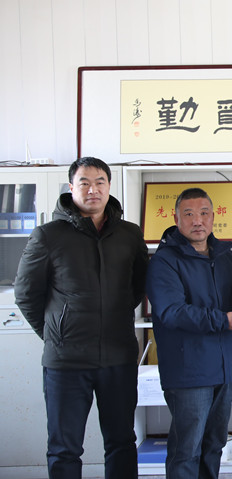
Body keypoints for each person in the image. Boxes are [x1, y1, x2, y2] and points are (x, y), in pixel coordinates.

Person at [14, 157, 149, 479]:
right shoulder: (48, 235)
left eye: (100, 182)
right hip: (67, 361)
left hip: (118, 356)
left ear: (109, 186)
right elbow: (26, 294)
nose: (93, 190)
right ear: (71, 187)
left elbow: (137, 288)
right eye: (84, 183)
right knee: (65, 447)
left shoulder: (129, 234)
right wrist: (56, 333)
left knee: (122, 441)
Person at [146, 187, 232, 478]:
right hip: (189, 370)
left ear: (214, 217)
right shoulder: (165, 261)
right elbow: (172, 312)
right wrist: (223, 320)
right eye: (189, 214)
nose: (198, 221)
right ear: (176, 219)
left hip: (225, 366)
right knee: (187, 449)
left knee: (214, 445)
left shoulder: (225, 255)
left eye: (204, 213)